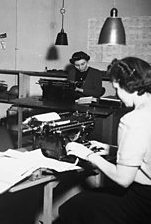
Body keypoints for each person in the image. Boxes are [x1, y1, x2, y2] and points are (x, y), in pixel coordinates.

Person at [59, 57, 151, 224]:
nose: (116, 94)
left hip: (143, 203)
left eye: (116, 88)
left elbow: (123, 179)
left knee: (72, 206)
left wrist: (88, 155)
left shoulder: (132, 120)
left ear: (128, 85)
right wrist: (111, 149)